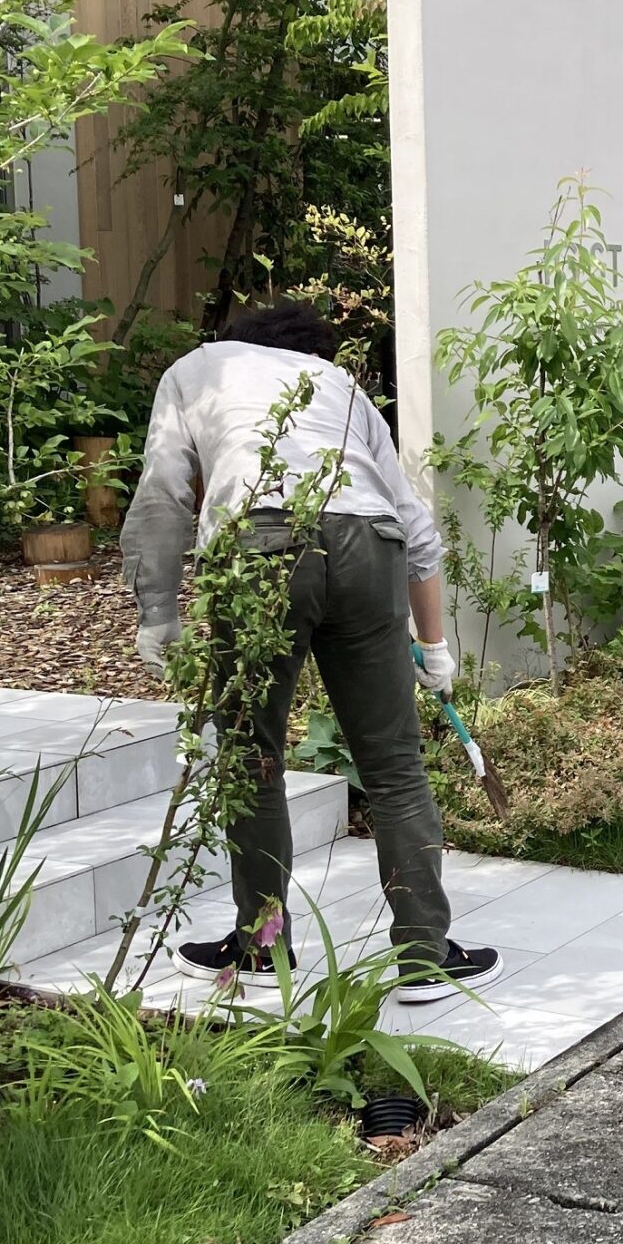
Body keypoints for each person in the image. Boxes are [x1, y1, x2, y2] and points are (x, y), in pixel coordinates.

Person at [122, 300, 499, 1004]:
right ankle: (424, 956)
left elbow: (162, 497)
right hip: (370, 551)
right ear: (313, 350)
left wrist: (158, 613)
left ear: (241, 340)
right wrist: (435, 644)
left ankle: (262, 950)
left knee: (253, 757)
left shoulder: (199, 369)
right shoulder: (343, 388)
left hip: (260, 544)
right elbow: (415, 526)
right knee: (393, 765)